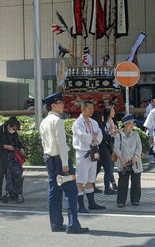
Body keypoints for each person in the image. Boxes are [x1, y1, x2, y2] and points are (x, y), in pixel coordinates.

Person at [39, 92, 89, 234]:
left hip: (49, 159)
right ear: (53, 106)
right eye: (60, 103)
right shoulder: (57, 120)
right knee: (71, 192)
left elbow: (43, 143)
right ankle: (73, 225)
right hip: (61, 161)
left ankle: (55, 224)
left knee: (54, 192)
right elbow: (61, 143)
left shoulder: (44, 121)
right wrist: (65, 164)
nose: (62, 105)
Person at [72, 101, 106, 213]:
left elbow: (99, 135)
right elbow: (83, 136)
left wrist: (93, 137)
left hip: (93, 152)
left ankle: (92, 204)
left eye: (92, 108)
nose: (92, 110)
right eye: (89, 108)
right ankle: (81, 205)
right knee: (80, 180)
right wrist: (93, 136)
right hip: (83, 154)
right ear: (83, 109)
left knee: (91, 179)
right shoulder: (78, 123)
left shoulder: (93, 122)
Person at [113, 114, 143, 207]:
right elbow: (116, 149)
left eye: (133, 123)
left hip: (135, 163)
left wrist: (136, 156)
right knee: (122, 183)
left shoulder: (136, 134)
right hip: (123, 162)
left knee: (136, 183)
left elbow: (139, 147)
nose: (132, 125)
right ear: (125, 124)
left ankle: (135, 200)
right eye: (131, 123)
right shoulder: (119, 135)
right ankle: (121, 201)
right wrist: (122, 160)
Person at [92, 110, 117, 195]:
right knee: (108, 169)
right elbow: (104, 138)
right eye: (101, 116)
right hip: (103, 150)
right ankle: (107, 188)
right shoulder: (99, 126)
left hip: (96, 149)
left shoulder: (94, 125)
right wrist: (111, 134)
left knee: (97, 169)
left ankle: (92, 186)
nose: (103, 117)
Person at [0, 117, 24, 201]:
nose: (14, 131)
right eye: (13, 129)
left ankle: (13, 194)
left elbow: (18, 142)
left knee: (12, 176)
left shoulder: (14, 133)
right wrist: (5, 146)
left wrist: (21, 148)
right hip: (1, 157)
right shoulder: (0, 130)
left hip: (11, 158)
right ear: (9, 126)